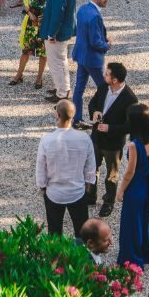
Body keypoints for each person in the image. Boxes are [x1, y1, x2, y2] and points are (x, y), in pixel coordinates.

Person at [35, 99, 95, 237]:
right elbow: (90, 165)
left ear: (58, 115)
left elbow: (41, 167)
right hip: (77, 191)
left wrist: (42, 186)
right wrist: (88, 184)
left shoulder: (46, 140)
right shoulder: (84, 138)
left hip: (54, 192)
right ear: (73, 116)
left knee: (54, 231)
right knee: (81, 232)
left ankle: (56, 257)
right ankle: (80, 256)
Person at [87, 62, 138, 217]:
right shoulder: (103, 87)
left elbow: (130, 126)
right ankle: (90, 196)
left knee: (111, 174)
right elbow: (93, 102)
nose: (104, 76)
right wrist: (94, 111)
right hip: (96, 138)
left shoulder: (130, 98)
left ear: (115, 80)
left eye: (107, 74)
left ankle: (109, 202)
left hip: (113, 144)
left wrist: (110, 128)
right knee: (91, 168)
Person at [115, 103, 149, 267]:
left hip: (136, 186)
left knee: (130, 223)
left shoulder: (134, 145)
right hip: (148, 184)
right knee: (143, 219)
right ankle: (146, 250)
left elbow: (130, 172)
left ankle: (131, 257)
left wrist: (120, 191)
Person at [70, 0, 111, 126]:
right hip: (93, 59)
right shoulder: (94, 16)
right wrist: (107, 45)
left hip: (81, 55)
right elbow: (95, 42)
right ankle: (102, 115)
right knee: (105, 87)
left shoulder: (82, 9)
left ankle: (76, 118)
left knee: (79, 89)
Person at [39, 0, 76, 102]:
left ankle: (62, 92)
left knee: (56, 63)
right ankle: (62, 87)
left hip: (57, 34)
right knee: (61, 61)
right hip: (65, 30)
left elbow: (57, 15)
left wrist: (51, 34)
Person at [10, 0, 50, 89]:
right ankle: (18, 75)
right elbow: (25, 4)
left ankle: (39, 78)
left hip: (43, 27)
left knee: (43, 53)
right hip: (31, 26)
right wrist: (29, 13)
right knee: (25, 51)